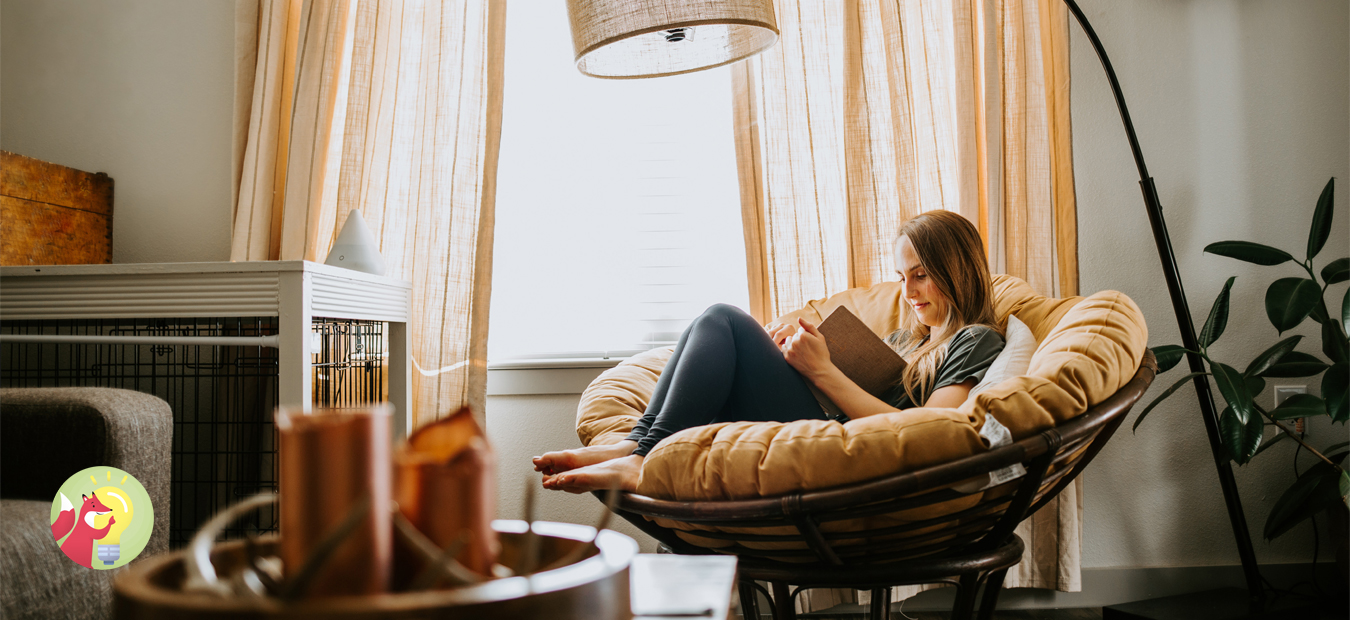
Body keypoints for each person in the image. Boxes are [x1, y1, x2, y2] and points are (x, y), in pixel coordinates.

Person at [533, 210, 1006, 493]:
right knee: (709, 324)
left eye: (920, 274)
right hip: (822, 418)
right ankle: (637, 442)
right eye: (903, 278)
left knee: (725, 320)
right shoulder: (911, 338)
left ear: (957, 267)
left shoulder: (975, 339)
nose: (908, 291)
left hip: (842, 447)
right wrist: (795, 356)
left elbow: (933, 431)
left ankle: (644, 456)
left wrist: (821, 371)